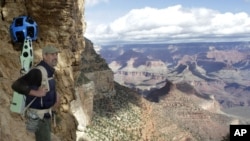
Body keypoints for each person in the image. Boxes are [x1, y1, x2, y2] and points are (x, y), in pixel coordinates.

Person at [12, 45, 60, 141]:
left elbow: (45, 87)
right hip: (39, 118)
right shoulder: (38, 72)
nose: (55, 57)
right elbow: (16, 85)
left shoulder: (49, 71)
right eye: (52, 54)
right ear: (44, 56)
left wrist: (55, 95)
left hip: (46, 116)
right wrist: (35, 92)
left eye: (56, 54)